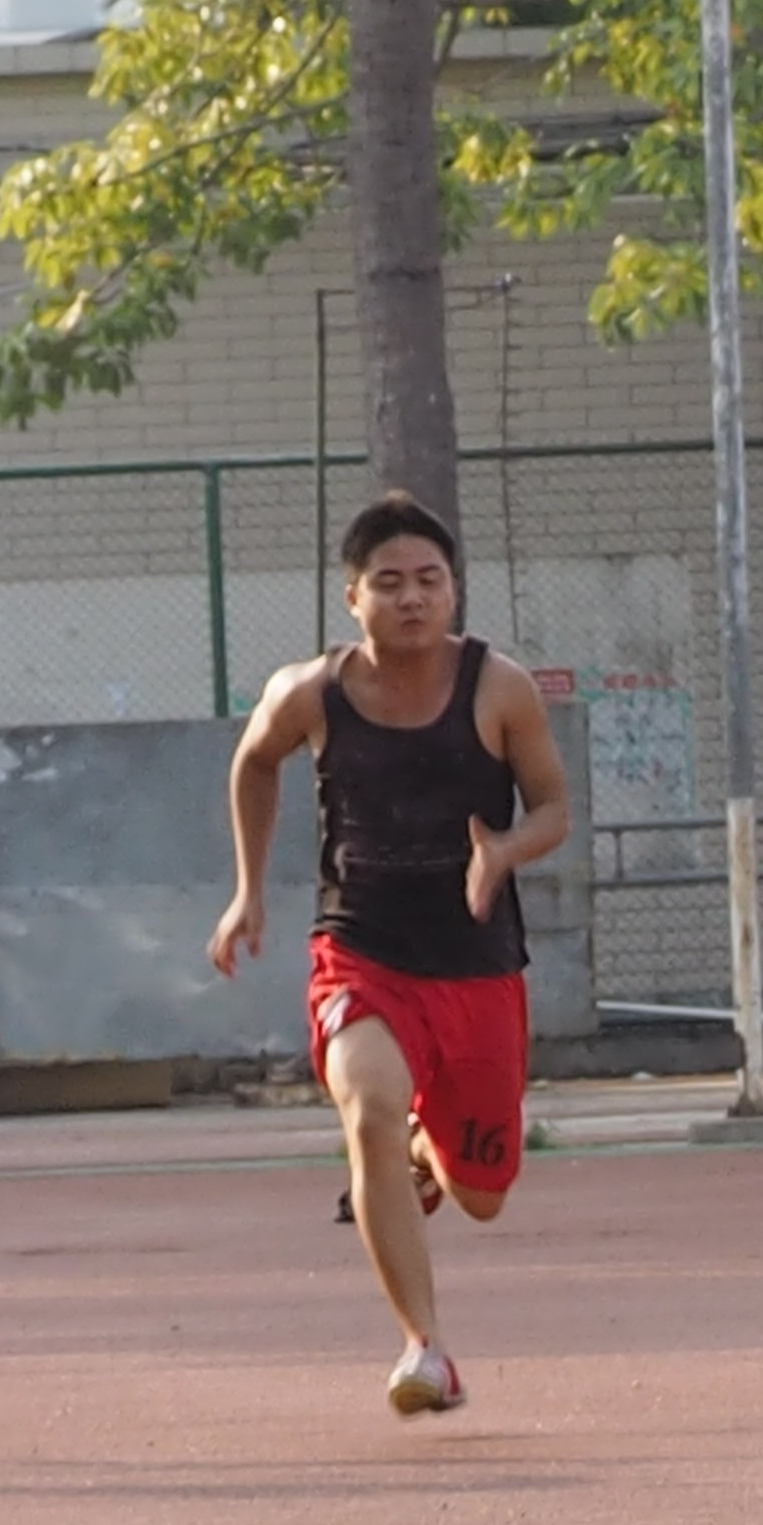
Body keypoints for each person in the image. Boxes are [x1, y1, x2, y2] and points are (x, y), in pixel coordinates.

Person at [212, 494, 573, 1417]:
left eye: (430, 582)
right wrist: (250, 889)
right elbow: (255, 762)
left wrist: (503, 851)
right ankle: (425, 1347)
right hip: (361, 951)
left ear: (454, 592)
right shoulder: (311, 692)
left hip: (478, 966)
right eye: (390, 583)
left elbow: (553, 808)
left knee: (482, 1193)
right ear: (352, 598)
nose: (412, 599)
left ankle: (431, 1144)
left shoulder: (501, 689)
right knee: (367, 1109)